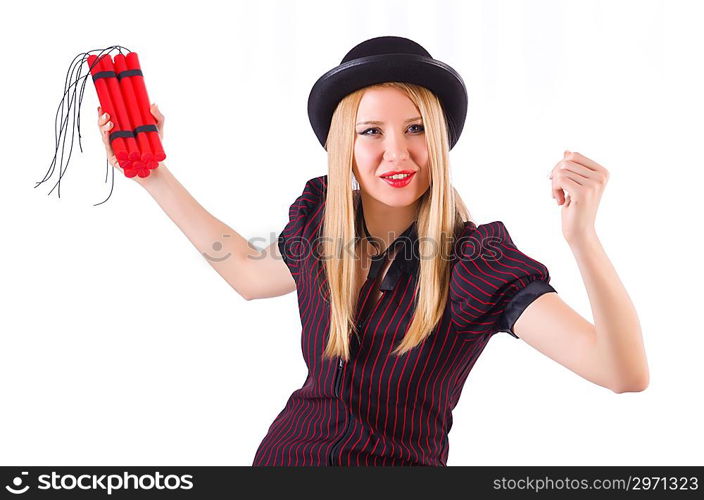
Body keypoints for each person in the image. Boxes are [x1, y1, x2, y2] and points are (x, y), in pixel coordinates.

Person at [95, 36, 649, 467]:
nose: (396, 152)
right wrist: (153, 174)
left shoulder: (474, 264)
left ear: (438, 139)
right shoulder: (320, 228)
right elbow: (244, 271)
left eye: (414, 128)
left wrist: (583, 239)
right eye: (371, 132)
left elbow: (621, 371)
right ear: (344, 145)